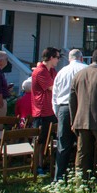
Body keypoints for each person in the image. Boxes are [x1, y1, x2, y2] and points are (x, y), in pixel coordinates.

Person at [70, 48, 97, 180]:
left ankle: (81, 185)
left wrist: (73, 121)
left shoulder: (78, 75)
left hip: (81, 121)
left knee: (82, 156)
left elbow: (72, 100)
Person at [51, 48, 88, 181]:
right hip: (81, 107)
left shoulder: (61, 72)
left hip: (63, 108)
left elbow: (54, 95)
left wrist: (58, 113)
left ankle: (59, 177)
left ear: (69, 59)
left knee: (63, 144)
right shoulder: (86, 69)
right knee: (83, 144)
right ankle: (82, 176)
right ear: (81, 58)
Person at [31, 47, 60, 175]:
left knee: (49, 139)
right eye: (57, 57)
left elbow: (58, 82)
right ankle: (37, 166)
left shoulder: (52, 70)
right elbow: (52, 87)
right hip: (41, 111)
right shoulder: (40, 71)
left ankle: (45, 163)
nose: (58, 60)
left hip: (51, 110)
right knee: (40, 141)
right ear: (51, 58)